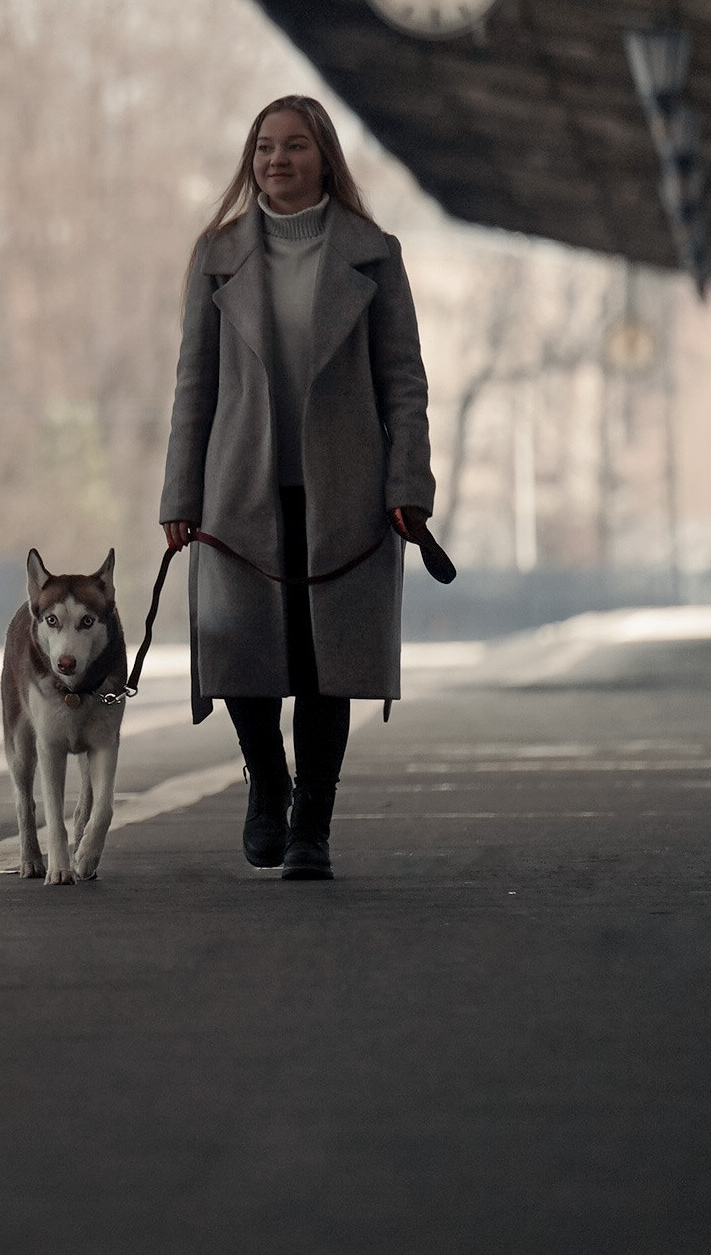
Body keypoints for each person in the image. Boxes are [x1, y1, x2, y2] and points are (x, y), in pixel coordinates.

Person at [158, 96, 435, 880]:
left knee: (326, 658)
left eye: (293, 147)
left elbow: (404, 383)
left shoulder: (374, 255)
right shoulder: (216, 256)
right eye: (264, 148)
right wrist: (180, 497)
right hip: (236, 487)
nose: (275, 160)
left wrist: (409, 481)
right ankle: (267, 780)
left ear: (325, 158)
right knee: (237, 642)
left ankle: (312, 817)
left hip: (345, 486)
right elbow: (193, 387)